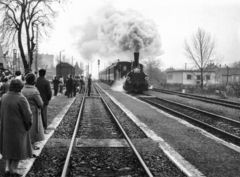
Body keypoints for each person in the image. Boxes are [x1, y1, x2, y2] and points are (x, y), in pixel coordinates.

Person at [0, 79, 33, 176]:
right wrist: (28, 126)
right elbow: (28, 115)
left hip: (6, 127)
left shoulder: (4, 96)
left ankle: (7, 169)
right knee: (17, 148)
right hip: (18, 128)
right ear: (20, 87)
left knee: (8, 147)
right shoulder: (21, 98)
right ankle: (14, 170)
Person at [22, 73, 45, 152]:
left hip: (23, 112)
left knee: (25, 128)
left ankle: (26, 146)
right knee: (33, 129)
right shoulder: (34, 91)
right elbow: (40, 103)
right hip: (33, 112)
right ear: (34, 81)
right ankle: (32, 147)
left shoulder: (22, 90)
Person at [35, 69, 52, 134]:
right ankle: (44, 128)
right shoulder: (46, 82)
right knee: (44, 114)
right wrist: (48, 99)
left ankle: (37, 128)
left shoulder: (35, 81)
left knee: (37, 114)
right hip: (44, 101)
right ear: (44, 74)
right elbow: (49, 92)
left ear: (39, 74)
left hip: (36, 100)